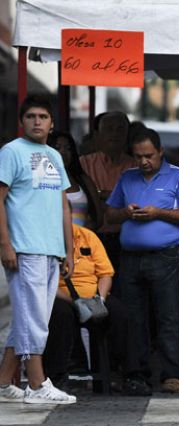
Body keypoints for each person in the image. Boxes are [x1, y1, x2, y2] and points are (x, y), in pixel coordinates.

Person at [106, 127, 179, 395]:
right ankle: (137, 373)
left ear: (160, 152)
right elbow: (109, 216)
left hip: (167, 256)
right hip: (131, 258)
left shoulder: (178, 176)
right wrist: (125, 212)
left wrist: (158, 213)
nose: (144, 161)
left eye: (149, 155)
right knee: (133, 317)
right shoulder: (127, 178)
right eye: (138, 157)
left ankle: (172, 373)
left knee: (168, 315)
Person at [0, 95, 76, 404]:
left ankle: (5, 382)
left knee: (31, 319)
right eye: (30, 116)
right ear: (22, 121)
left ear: (52, 123)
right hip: (24, 246)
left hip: (50, 248)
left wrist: (68, 251)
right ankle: (36, 384)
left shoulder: (54, 156)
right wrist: (5, 243)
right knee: (33, 319)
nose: (36, 121)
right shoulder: (11, 152)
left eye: (42, 116)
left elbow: (63, 206)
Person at [42, 216, 127, 387]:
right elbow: (44, 282)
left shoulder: (87, 236)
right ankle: (56, 374)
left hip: (94, 294)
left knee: (120, 313)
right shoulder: (44, 241)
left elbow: (105, 274)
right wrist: (75, 302)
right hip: (60, 295)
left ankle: (120, 371)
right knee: (61, 315)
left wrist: (100, 299)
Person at [79, 111, 136, 286]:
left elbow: (137, 201)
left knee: (123, 294)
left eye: (120, 129)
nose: (115, 134)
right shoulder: (83, 164)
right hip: (91, 239)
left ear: (127, 135)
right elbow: (82, 200)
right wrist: (118, 199)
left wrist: (100, 195)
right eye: (109, 129)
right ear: (97, 135)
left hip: (126, 243)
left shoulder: (135, 166)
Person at [48, 131, 102, 229]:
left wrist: (86, 230)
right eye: (57, 148)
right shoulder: (39, 182)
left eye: (68, 148)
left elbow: (98, 219)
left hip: (81, 241)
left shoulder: (83, 180)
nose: (63, 152)